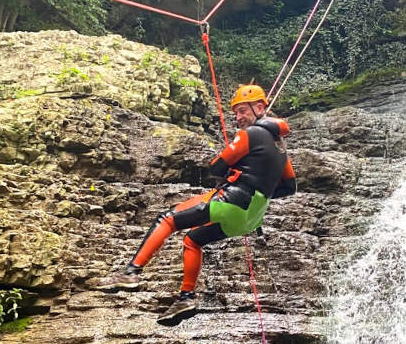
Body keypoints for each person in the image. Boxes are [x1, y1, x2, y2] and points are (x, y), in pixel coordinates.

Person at [96, 84, 296, 325]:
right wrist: (258, 190)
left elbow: (216, 167)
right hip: (249, 219)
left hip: (232, 201)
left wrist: (237, 175)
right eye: (236, 113)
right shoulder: (280, 149)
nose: (238, 118)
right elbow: (289, 187)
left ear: (260, 107)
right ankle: (186, 297)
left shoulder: (250, 134)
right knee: (193, 240)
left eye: (243, 110)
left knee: (167, 219)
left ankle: (131, 273)